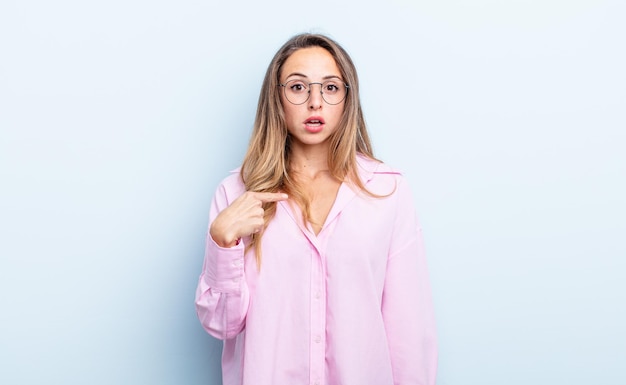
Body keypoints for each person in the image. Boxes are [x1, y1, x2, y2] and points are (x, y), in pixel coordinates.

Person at [195, 33, 437, 385]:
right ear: (276, 98)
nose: (315, 103)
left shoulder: (387, 190)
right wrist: (222, 241)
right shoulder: (235, 194)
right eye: (297, 87)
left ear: (346, 98)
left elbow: (410, 332)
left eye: (330, 88)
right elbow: (221, 324)